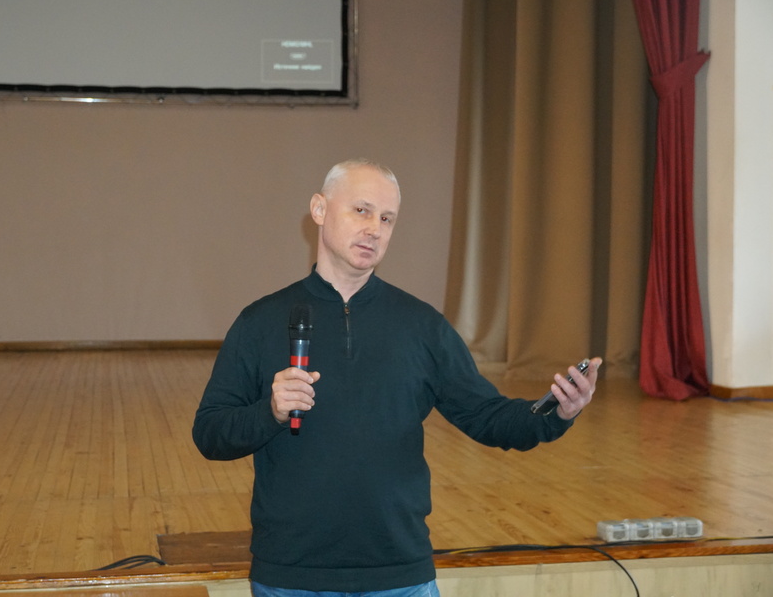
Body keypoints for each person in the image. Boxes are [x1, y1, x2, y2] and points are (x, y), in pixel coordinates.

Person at [192, 158, 601, 597]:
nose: (375, 229)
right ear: (319, 209)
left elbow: (488, 417)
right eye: (361, 211)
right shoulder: (259, 322)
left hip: (400, 576)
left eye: (387, 219)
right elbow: (210, 433)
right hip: (291, 577)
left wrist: (556, 411)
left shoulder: (422, 327)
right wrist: (269, 412)